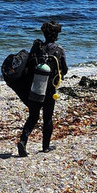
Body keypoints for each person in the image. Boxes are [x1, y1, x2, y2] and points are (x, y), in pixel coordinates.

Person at [18, 21, 68, 156]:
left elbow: (28, 66)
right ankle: (45, 146)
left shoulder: (36, 48)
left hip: (35, 87)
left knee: (33, 117)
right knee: (48, 118)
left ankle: (23, 141)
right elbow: (65, 69)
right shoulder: (59, 50)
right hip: (50, 90)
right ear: (56, 35)